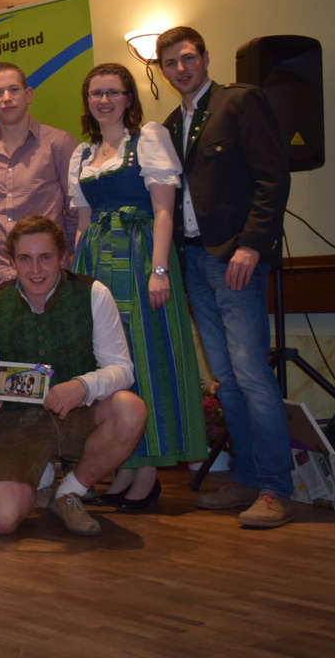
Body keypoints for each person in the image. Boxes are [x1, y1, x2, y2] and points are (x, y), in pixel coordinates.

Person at [156, 26, 293, 528]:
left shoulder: (240, 102)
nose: (181, 69)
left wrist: (251, 245)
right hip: (192, 263)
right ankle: (247, 476)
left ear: (205, 57)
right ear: (162, 70)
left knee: (252, 374)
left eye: (188, 58)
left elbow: (273, 177)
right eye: (170, 63)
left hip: (235, 259)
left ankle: (276, 487)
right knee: (226, 381)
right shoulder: (170, 125)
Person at [67, 62, 207, 511]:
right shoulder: (83, 154)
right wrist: (74, 279)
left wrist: (159, 270)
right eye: (96, 93)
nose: (104, 100)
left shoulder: (147, 138)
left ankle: (147, 474)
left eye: (113, 91)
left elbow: (164, 210)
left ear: (129, 97)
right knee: (109, 361)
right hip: (96, 262)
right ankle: (125, 468)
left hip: (139, 257)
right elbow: (82, 224)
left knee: (145, 358)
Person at [0, 215, 147, 537]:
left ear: (62, 257)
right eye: (25, 259)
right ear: (11, 261)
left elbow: (122, 369)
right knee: (1, 520)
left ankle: (69, 491)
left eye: (45, 257)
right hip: (20, 422)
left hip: (81, 413)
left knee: (130, 409)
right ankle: (39, 479)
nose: (35, 269)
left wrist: (82, 385)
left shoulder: (93, 294)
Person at [0, 62, 77, 311]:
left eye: (14, 90)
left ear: (28, 94)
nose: (7, 98)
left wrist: (57, 254)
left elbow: (77, 211)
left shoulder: (59, 144)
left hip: (45, 281)